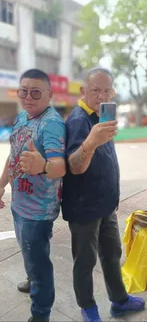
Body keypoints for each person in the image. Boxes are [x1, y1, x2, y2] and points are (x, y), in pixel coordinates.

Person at [61, 67, 145, 322]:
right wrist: (91, 141)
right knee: (85, 262)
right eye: (95, 90)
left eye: (107, 90)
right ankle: (88, 309)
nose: (101, 95)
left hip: (106, 204)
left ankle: (118, 301)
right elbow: (74, 166)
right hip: (84, 209)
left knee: (112, 255)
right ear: (83, 91)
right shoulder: (78, 121)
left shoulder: (102, 117)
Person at [0, 69, 66, 322]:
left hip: (38, 212)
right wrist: (2, 184)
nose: (28, 97)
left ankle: (40, 314)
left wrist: (43, 166)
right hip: (20, 203)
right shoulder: (22, 117)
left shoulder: (51, 124)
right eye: (23, 91)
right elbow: (13, 155)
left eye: (36, 92)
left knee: (39, 262)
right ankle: (32, 277)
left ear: (49, 94)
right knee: (28, 252)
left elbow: (60, 165)